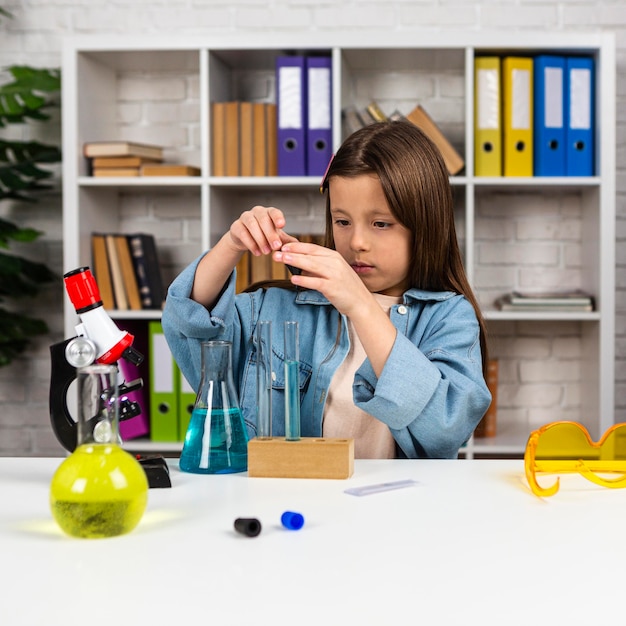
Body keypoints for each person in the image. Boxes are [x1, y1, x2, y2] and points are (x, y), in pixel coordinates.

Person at [162, 120, 491, 459]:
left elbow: (445, 429)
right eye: (342, 221)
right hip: (290, 504)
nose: (357, 242)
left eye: (381, 223)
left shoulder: (450, 318)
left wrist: (361, 306)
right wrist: (231, 245)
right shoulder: (274, 309)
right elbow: (191, 330)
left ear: (425, 225)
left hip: (399, 509)